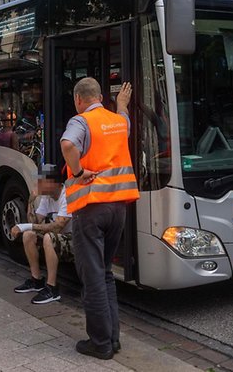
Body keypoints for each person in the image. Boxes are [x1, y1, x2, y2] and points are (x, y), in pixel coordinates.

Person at [60, 78, 137, 360]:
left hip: (92, 207)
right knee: (105, 274)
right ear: (101, 97)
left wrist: (79, 172)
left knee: (92, 276)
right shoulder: (117, 121)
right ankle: (112, 339)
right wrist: (122, 106)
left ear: (79, 99)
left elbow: (68, 145)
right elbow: (125, 124)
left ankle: (100, 343)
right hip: (118, 207)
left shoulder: (81, 121)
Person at [11, 178, 73, 305]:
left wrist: (25, 226)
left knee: (48, 237)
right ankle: (36, 280)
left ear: (56, 183)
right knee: (28, 235)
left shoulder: (67, 195)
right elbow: (34, 222)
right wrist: (31, 201)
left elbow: (58, 226)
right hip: (56, 236)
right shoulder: (47, 197)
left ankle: (52, 288)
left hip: (74, 238)